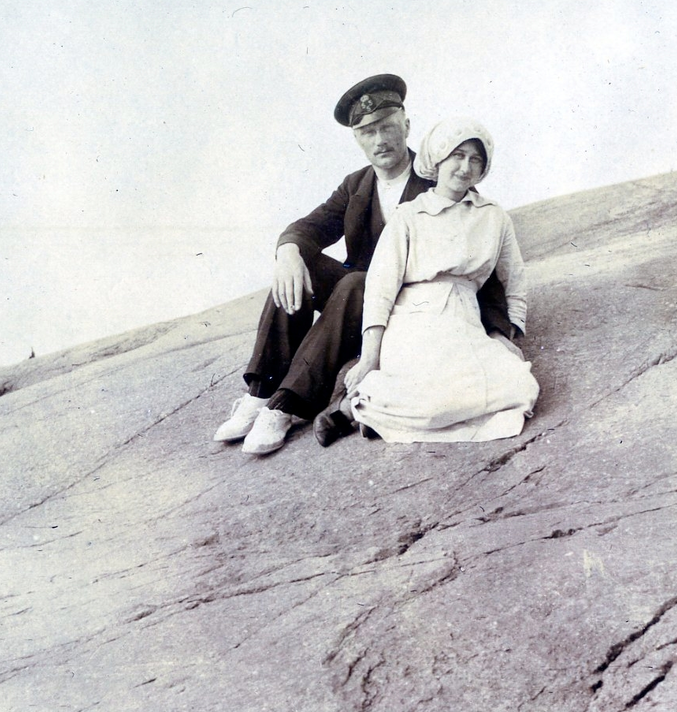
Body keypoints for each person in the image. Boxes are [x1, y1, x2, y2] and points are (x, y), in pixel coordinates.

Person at [212, 75, 518, 455]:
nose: (379, 140)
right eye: (367, 132)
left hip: (407, 312)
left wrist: (499, 331)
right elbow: (310, 227)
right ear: (357, 138)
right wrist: (288, 251)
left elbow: (480, 263)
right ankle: (260, 392)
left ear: (406, 125)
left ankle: (286, 405)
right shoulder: (356, 185)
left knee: (358, 281)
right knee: (299, 263)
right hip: (355, 308)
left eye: (387, 127)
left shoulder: (439, 181)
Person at [335, 117, 539, 443]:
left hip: (466, 321)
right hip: (414, 320)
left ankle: (379, 413)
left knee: (521, 386)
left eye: (475, 159)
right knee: (431, 401)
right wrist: (370, 358)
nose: (465, 167)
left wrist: (509, 334)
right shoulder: (408, 215)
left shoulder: (493, 216)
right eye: (457, 156)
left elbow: (513, 279)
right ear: (438, 159)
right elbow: (380, 288)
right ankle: (366, 404)